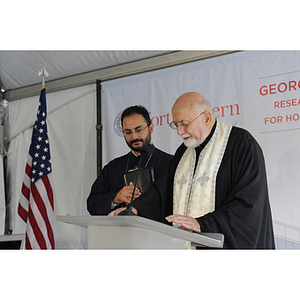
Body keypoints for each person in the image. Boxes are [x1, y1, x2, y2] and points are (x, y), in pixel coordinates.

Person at [110, 92, 275, 249]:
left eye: (184, 124)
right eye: (176, 125)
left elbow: (248, 204)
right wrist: (134, 209)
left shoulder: (241, 145)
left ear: (207, 117)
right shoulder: (184, 152)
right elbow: (161, 193)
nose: (180, 132)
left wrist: (202, 224)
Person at [87, 105, 173, 215]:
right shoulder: (113, 167)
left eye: (139, 130)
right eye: (128, 132)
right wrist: (116, 198)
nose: (134, 137)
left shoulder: (170, 163)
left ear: (150, 128)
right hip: (119, 231)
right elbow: (92, 204)